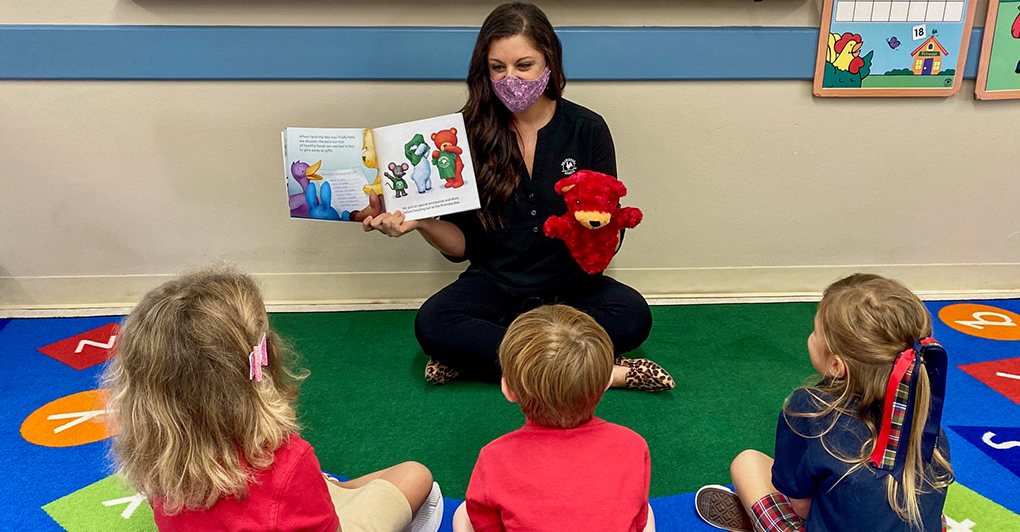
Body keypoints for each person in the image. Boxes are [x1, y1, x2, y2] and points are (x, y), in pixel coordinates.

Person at [362, 2, 673, 391]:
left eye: (524, 65)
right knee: (433, 323)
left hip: (571, 288)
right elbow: (462, 247)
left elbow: (608, 234)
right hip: (496, 286)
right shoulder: (464, 135)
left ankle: (495, 361)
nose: (510, 78)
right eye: (498, 67)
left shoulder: (588, 129)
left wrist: (598, 227)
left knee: (633, 314)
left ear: (549, 62)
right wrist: (422, 221)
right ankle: (594, 370)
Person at [103, 267, 444, 532]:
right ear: (262, 360)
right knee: (416, 476)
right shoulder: (287, 460)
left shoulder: (155, 455)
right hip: (292, 498)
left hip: (272, 503)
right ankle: (329, 490)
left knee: (325, 484)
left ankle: (328, 487)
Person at [695, 274, 953, 532]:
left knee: (748, 463)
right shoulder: (925, 420)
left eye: (816, 332)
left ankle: (758, 521)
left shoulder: (810, 410)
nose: (811, 335)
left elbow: (802, 507)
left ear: (836, 365)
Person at [452, 304, 655, 532]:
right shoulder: (633, 445)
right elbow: (638, 520)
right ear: (608, 381)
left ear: (508, 389)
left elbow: (485, 523)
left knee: (462, 514)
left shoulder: (493, 457)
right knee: (647, 511)